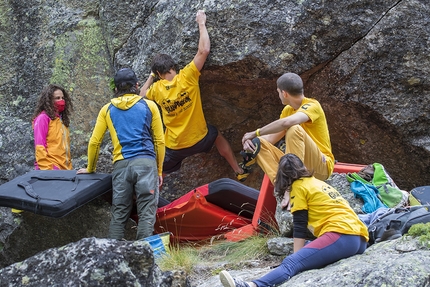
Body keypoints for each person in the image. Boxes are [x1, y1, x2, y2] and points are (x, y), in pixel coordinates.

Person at [219, 153, 369, 287]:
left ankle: (252, 285)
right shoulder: (318, 182)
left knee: (292, 262)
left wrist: (296, 257)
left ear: (282, 176)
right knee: (310, 247)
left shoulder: (298, 186)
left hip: (341, 235)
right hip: (360, 239)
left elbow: (299, 225)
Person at [139, 10, 248, 181]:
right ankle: (238, 170)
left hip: (175, 148)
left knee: (161, 170)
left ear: (159, 74)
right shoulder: (187, 76)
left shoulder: (157, 89)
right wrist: (201, 23)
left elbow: (142, 95)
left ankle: (154, 189)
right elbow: (204, 50)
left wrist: (151, 76)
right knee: (216, 134)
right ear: (173, 67)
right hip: (201, 139)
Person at [77, 68, 165, 240]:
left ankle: (113, 255)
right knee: (146, 211)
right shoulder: (149, 106)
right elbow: (160, 142)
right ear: (137, 85)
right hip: (146, 163)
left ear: (116, 89)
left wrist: (90, 168)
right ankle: (143, 254)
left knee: (119, 213)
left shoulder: (107, 110)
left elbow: (95, 142)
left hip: (121, 166)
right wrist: (159, 170)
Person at [240, 72, 334, 183]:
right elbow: (271, 139)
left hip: (321, 166)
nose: (278, 95)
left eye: (278, 92)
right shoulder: (288, 110)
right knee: (258, 143)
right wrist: (251, 142)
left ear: (284, 93)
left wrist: (255, 132)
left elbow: (288, 122)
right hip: (298, 164)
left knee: (294, 129)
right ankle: (282, 185)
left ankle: (293, 179)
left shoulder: (313, 105)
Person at [32, 84, 73, 170]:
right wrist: (51, 169)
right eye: (57, 98)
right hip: (50, 171)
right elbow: (40, 147)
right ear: (49, 100)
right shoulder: (43, 118)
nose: (61, 101)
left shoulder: (61, 120)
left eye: (62, 98)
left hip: (65, 170)